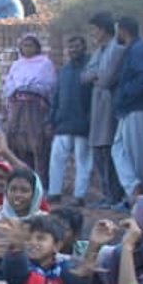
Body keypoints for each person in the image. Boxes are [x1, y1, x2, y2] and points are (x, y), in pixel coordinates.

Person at [110, 15, 143, 206]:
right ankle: (133, 190)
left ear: (122, 30)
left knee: (135, 157)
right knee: (119, 149)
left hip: (138, 108)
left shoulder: (138, 49)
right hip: (129, 109)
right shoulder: (134, 49)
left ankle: (140, 203)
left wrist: (126, 94)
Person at [0, 33, 56, 186]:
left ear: (37, 47)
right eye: (24, 45)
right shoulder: (17, 65)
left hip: (35, 109)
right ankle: (19, 178)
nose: (27, 48)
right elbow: (9, 85)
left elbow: (48, 85)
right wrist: (17, 89)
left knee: (37, 144)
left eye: (31, 45)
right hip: (17, 109)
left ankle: (40, 181)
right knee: (16, 142)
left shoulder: (45, 64)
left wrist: (29, 87)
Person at [81, 12, 124, 207]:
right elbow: (84, 77)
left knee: (108, 152)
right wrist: (96, 76)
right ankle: (106, 194)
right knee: (99, 152)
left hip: (109, 106)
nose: (93, 33)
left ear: (104, 30)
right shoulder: (99, 51)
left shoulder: (116, 49)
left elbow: (106, 80)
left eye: (95, 29)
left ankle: (114, 196)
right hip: (97, 105)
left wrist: (95, 76)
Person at [47, 34, 94, 207]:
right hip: (63, 122)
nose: (73, 50)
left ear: (84, 48)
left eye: (77, 46)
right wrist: (51, 120)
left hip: (84, 123)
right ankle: (54, 193)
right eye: (71, 47)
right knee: (56, 159)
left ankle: (79, 195)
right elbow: (56, 97)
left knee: (83, 161)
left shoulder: (91, 67)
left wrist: (90, 119)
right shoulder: (65, 70)